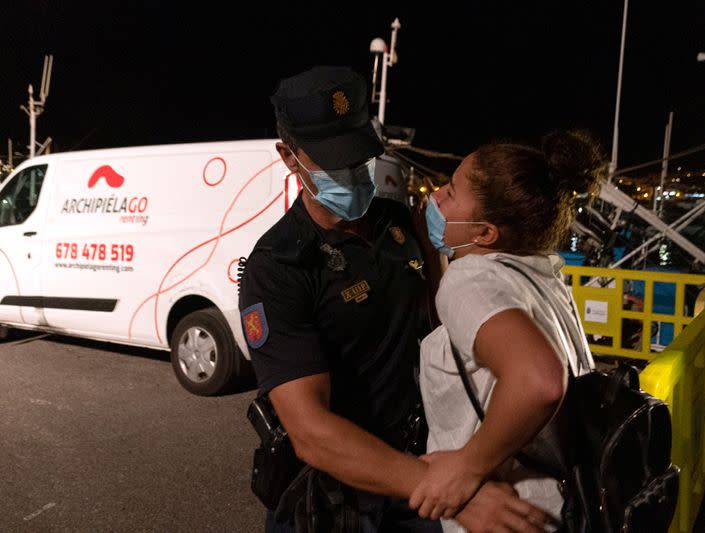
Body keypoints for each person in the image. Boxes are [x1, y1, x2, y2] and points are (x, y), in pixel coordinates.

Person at [238, 65, 549, 533]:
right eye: (332, 160)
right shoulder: (279, 267)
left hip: (422, 472)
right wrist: (453, 491)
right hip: (339, 496)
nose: (352, 172)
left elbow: (445, 320)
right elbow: (311, 433)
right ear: (289, 157)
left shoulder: (401, 225)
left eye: (358, 156)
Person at [408, 131, 604, 532]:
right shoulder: (539, 272)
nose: (437, 197)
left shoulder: (470, 280)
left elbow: (539, 380)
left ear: (484, 233)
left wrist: (466, 466)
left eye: (452, 191)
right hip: (566, 506)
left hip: (509, 514)